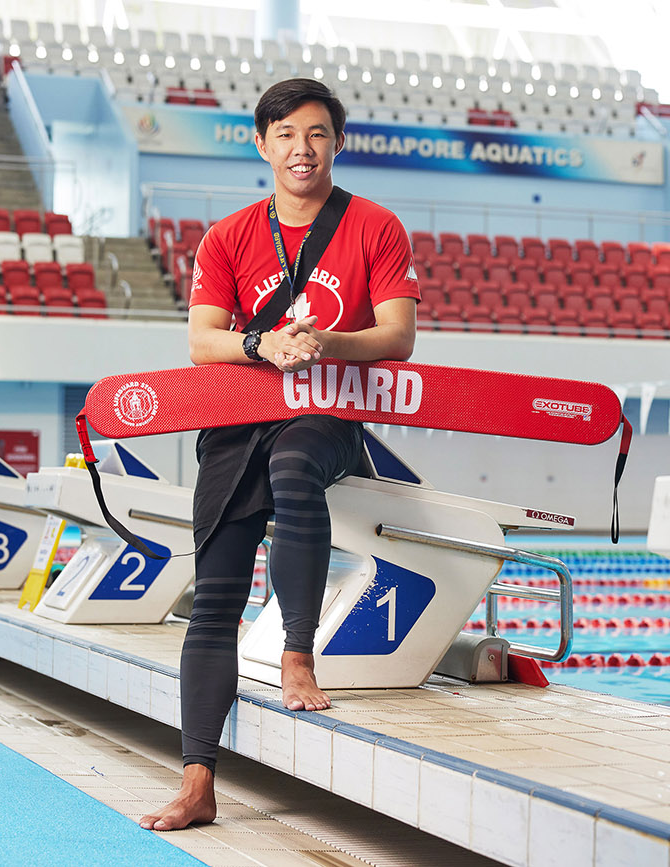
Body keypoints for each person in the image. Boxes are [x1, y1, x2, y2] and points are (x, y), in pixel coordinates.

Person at [141, 78, 421, 832]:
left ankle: (298, 651)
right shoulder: (229, 236)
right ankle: (198, 781)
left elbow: (398, 335)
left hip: (328, 412)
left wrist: (327, 343)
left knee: (295, 469)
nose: (303, 148)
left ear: (337, 142)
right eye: (288, 134)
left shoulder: (375, 227)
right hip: (239, 421)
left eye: (318, 134)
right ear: (261, 144)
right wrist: (263, 342)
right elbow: (203, 342)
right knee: (215, 594)